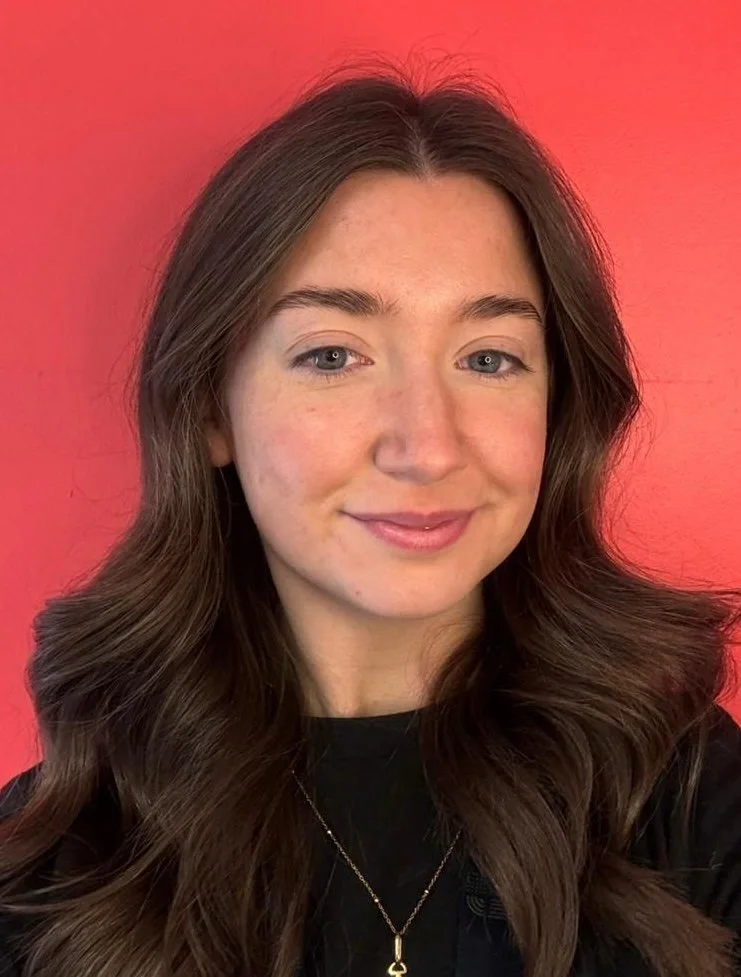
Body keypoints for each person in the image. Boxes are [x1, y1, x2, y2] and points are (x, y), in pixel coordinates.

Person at [1, 56, 740, 977]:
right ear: (210, 409)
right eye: (332, 356)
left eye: (488, 359)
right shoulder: (55, 858)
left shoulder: (683, 798)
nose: (425, 446)